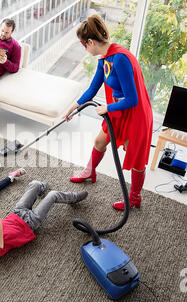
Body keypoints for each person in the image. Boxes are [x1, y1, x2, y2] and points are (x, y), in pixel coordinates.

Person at [64, 14, 153, 211]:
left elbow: (133, 99)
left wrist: (107, 108)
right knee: (99, 141)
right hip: (118, 111)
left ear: (90, 42)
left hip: (134, 115)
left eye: (83, 45)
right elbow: (93, 88)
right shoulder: (104, 59)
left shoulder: (120, 58)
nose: (84, 49)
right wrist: (74, 107)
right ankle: (90, 172)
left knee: (136, 159)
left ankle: (135, 198)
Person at [0, 180, 88, 269]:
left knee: (35, 184)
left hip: (16, 213)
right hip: (30, 223)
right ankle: (73, 197)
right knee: (53, 195)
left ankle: (40, 189)